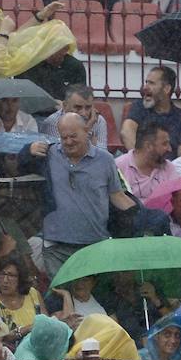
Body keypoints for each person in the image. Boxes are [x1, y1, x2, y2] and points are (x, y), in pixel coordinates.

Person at [27, 114, 135, 276]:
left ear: (87, 131)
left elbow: (116, 195)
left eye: (73, 136)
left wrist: (140, 214)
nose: (69, 141)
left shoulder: (105, 160)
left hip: (94, 244)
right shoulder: (50, 154)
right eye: (64, 137)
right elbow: (21, 164)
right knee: (60, 295)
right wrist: (28, 151)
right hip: (56, 246)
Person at [117, 121, 176, 203]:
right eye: (164, 144)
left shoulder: (169, 167)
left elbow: (174, 201)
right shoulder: (119, 166)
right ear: (148, 146)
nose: (169, 149)